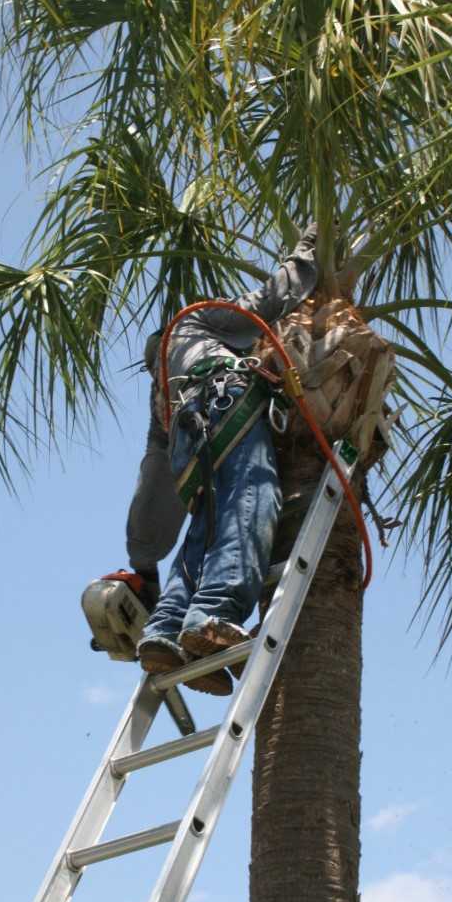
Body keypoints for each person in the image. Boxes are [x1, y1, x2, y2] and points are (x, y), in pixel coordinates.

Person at [124, 224, 319, 695]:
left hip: (192, 444)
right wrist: (310, 250)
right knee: (252, 502)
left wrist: (144, 561)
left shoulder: (162, 396)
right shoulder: (193, 323)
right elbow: (267, 304)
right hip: (226, 404)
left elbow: (154, 477)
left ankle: (165, 630)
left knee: (206, 532)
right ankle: (213, 616)